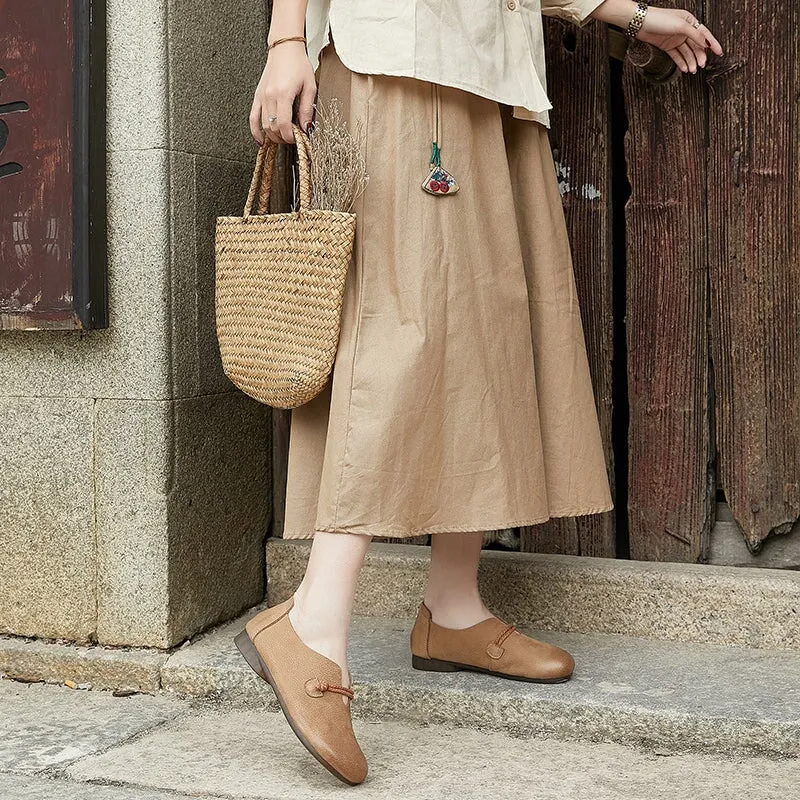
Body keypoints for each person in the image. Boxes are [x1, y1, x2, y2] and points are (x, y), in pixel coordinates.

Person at [235, 0, 724, 786]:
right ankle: (313, 618)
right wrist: (287, 37)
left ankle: (453, 607)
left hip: (493, 72)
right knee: (404, 327)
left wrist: (629, 17)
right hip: (396, 60)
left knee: (487, 331)